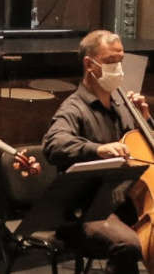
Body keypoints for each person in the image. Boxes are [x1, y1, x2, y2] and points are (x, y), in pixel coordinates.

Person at [42, 30, 146, 274]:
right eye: (111, 61)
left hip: (125, 203)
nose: (118, 68)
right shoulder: (73, 108)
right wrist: (98, 149)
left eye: (121, 60)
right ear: (90, 64)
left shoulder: (123, 106)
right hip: (85, 211)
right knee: (127, 244)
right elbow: (54, 144)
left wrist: (146, 120)